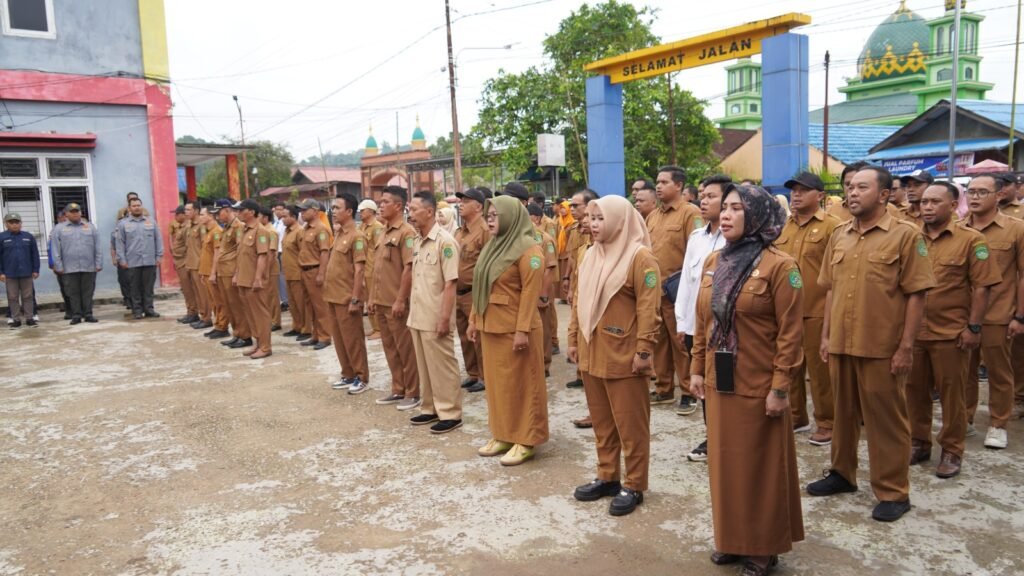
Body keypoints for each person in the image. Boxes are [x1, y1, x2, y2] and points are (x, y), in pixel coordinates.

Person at [807, 165, 935, 523]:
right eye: (850, 187)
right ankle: (842, 473)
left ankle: (893, 491)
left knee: (886, 420)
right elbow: (830, 289)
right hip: (841, 342)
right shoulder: (840, 234)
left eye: (862, 187)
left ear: (883, 195)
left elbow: (917, 294)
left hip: (881, 346)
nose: (852, 193)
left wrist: (906, 347)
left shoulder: (905, 236)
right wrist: (826, 335)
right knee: (843, 414)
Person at [690, 184, 805, 575]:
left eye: (737, 208)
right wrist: (695, 368)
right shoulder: (715, 261)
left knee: (760, 468)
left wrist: (780, 387)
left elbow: (791, 334)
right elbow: (704, 323)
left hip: (759, 386)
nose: (726, 214)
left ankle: (763, 547)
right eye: (724, 207)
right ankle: (734, 538)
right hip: (719, 382)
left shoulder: (781, 267)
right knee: (726, 465)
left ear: (757, 215)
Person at [569, 195, 660, 517]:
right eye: (591, 218)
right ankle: (607, 476)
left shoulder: (640, 257)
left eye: (600, 218)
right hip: (592, 351)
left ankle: (634, 484)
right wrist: (573, 338)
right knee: (603, 422)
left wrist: (645, 349)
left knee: (631, 425)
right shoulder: (591, 254)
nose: (593, 225)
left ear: (620, 221)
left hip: (624, 354)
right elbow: (578, 300)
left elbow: (649, 309)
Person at [908, 181, 999, 478]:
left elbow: (982, 287)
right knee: (914, 393)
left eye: (935, 202)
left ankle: (952, 449)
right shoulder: (909, 237)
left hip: (950, 333)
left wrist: (973, 327)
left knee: (952, 396)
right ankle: (919, 442)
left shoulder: (971, 240)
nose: (927, 207)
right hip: (914, 333)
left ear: (952, 205)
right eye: (924, 202)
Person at [468, 195, 549, 466]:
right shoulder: (494, 246)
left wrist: (522, 330)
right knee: (498, 386)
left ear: (511, 218)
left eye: (495, 216)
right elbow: (481, 286)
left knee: (523, 385)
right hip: (491, 325)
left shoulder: (529, 251)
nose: (490, 221)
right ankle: (503, 433)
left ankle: (526, 439)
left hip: (516, 329)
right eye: (488, 216)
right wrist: (473, 320)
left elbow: (530, 294)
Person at [775, 172, 842, 447]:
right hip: (787, 310)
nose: (796, 195)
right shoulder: (784, 226)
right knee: (788, 366)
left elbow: (837, 273)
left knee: (820, 372)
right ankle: (796, 416)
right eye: (794, 190)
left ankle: (827, 422)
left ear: (821, 195)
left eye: (803, 190)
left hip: (817, 310)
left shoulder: (833, 227)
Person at [962, 173, 1024, 450]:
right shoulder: (958, 228)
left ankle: (998, 424)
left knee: (999, 373)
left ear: (999, 195)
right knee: (964, 371)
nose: (974, 197)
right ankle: (965, 418)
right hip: (962, 314)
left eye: (982, 192)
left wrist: (1019, 316)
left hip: (998, 313)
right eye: (971, 191)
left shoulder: (1016, 229)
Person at [674, 175, 730, 462]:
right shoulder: (697, 238)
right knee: (706, 385)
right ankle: (714, 436)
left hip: (725, 329)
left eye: (711, 196)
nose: (703, 201)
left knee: (726, 385)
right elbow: (687, 283)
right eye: (703, 196)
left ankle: (728, 439)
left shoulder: (736, 238)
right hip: (697, 327)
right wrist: (682, 323)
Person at [405, 191, 463, 433]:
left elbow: (450, 283)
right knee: (425, 366)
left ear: (429, 212)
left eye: (414, 209)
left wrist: (444, 318)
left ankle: (450, 412)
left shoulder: (445, 242)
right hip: (418, 315)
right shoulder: (418, 241)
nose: (410, 213)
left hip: (435, 316)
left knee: (442, 367)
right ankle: (430, 408)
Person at [648, 165, 703, 415]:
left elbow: (698, 253)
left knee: (681, 344)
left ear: (679, 185)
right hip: (655, 292)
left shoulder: (690, 213)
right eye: (657, 182)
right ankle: (664, 388)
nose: (658, 186)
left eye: (664, 182)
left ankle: (689, 392)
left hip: (678, 292)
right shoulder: (653, 216)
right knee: (659, 342)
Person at [370, 186, 420, 410]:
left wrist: (400, 299)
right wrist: (372, 297)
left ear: (398, 206)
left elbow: (409, 268)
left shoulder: (406, 233)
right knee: (390, 348)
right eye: (380, 202)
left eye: (385, 202)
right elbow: (378, 269)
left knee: (405, 349)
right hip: (381, 301)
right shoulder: (383, 232)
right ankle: (398, 388)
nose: (380, 206)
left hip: (396, 302)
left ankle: (413, 392)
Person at [321, 193, 371, 393]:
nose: (333, 211)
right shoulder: (339, 234)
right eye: (332, 208)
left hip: (347, 297)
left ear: (349, 211)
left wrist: (356, 299)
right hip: (333, 296)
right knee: (340, 341)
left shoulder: (357, 237)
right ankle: (347, 374)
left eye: (337, 208)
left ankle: (361, 376)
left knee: (353, 340)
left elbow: (359, 270)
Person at [454, 188, 490, 393]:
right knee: (464, 337)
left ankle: (485, 375)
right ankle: (473, 373)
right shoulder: (460, 231)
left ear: (478, 206)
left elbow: (488, 265)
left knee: (478, 337)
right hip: (458, 293)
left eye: (466, 201)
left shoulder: (484, 230)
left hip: (474, 293)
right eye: (461, 201)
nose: (461, 204)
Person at [563, 190, 598, 392]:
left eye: (576, 205)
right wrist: (568, 281)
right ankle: (581, 373)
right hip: (579, 290)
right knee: (577, 331)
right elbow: (573, 259)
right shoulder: (577, 233)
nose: (572, 209)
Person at [232, 200, 273, 359]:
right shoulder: (244, 230)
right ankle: (258, 342)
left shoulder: (260, 231)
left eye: (241, 210)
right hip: (244, 279)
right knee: (251, 314)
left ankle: (265, 346)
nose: (238, 213)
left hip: (254, 281)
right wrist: (237, 274)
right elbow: (241, 255)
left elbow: (262, 256)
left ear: (251, 212)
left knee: (260, 314)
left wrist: (258, 278)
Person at [51, 202, 103, 324]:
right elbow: (55, 249)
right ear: (66, 214)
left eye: (77, 212)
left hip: (88, 266)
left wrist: (98, 263)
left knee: (88, 292)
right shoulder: (59, 229)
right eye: (72, 212)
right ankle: (76, 315)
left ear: (80, 213)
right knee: (72, 292)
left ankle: (88, 314)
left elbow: (98, 246)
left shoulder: (90, 227)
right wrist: (58, 265)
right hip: (69, 267)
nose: (75, 214)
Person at [211, 199, 252, 349]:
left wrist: (237, 273)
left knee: (237, 306)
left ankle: (245, 336)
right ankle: (237, 333)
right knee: (229, 305)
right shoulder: (226, 227)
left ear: (227, 210)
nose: (217, 216)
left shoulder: (238, 227)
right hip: (224, 271)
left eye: (219, 212)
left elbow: (241, 251)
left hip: (231, 271)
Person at [116, 197, 164, 320]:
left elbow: (158, 239)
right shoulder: (123, 224)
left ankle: (149, 309)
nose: (137, 208)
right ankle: (137, 310)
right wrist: (122, 260)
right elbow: (120, 243)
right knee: (134, 287)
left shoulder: (151, 222)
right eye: (134, 206)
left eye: (138, 205)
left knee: (148, 287)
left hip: (149, 260)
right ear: (129, 208)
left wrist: (159, 256)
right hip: (132, 262)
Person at [297, 198, 333, 351]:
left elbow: (325, 252)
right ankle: (316, 334)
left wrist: (321, 273)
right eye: (301, 210)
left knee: (320, 306)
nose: (302, 213)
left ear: (315, 211)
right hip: (304, 271)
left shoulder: (321, 229)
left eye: (305, 210)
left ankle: (325, 336)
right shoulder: (305, 229)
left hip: (315, 270)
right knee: (310, 306)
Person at [528, 203, 560, 376]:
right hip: (528, 289)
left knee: (544, 327)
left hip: (542, 288)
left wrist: (543, 295)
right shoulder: (521, 238)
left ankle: (544, 363)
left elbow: (550, 267)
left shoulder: (545, 239)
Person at [0, 213, 40, 327]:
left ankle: (29, 318)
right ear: (6, 224)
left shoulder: (28, 236)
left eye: (17, 222)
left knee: (28, 296)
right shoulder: (2, 237)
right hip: (10, 273)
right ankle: (16, 319)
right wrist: (1, 272)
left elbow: (34, 254)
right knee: (12, 297)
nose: (14, 225)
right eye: (11, 222)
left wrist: (36, 269)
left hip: (26, 272)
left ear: (21, 223)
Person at [197, 206, 229, 339]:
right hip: (206, 271)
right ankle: (217, 325)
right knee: (213, 301)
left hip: (213, 271)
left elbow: (217, 254)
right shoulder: (208, 231)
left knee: (219, 301)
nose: (200, 217)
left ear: (210, 216)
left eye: (202, 214)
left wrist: (213, 273)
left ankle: (222, 327)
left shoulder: (217, 232)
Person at [280, 205, 310, 339]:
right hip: (288, 273)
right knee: (293, 304)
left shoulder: (299, 232)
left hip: (298, 273)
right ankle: (297, 326)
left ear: (293, 217)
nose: (283, 219)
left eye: (285, 216)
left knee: (301, 303)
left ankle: (306, 329)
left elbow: (303, 253)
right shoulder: (287, 231)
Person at [358, 199, 385, 340]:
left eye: (363, 211)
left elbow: (379, 249)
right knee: (367, 299)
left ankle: (380, 328)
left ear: (370, 211)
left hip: (372, 268)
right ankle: (374, 327)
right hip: (364, 268)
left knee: (374, 298)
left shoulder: (377, 227)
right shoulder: (362, 226)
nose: (360, 213)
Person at [170, 205, 199, 324]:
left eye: (177, 214)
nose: (175, 217)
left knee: (189, 289)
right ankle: (190, 311)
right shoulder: (182, 227)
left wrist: (186, 261)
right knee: (186, 289)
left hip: (184, 261)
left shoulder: (188, 227)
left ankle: (193, 312)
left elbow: (189, 246)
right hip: (179, 261)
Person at [258, 207, 282, 331]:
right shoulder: (263, 230)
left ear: (265, 218)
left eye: (259, 216)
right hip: (265, 268)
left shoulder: (271, 231)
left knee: (272, 296)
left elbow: (272, 254)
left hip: (271, 268)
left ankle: (275, 321)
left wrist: (266, 270)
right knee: (266, 295)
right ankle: (269, 319)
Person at [49, 209, 73, 318]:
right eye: (61, 218)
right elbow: (51, 249)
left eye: (66, 217)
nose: (64, 219)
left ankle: (80, 309)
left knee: (77, 289)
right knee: (65, 289)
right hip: (61, 265)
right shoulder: (55, 231)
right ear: (58, 219)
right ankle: (69, 310)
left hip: (74, 264)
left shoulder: (76, 229)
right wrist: (53, 264)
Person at [271, 200, 289, 312]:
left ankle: (286, 300)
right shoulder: (275, 223)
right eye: (276, 209)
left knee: (282, 277)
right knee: (278, 277)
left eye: (280, 209)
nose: (278, 211)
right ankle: (282, 299)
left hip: (282, 251)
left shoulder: (285, 223)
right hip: (276, 252)